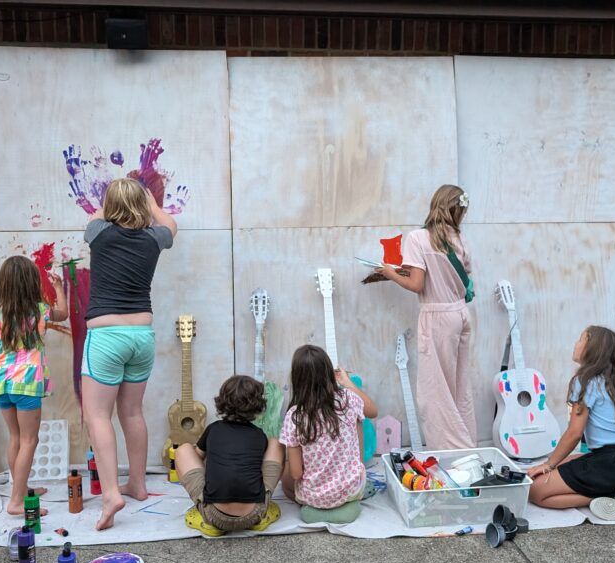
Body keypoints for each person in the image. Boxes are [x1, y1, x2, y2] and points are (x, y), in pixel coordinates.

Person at [81, 177, 177, 530]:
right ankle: (136, 483)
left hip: (106, 336)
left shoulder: (99, 234)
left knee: (97, 416)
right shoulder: (154, 239)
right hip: (141, 336)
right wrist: (151, 206)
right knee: (132, 412)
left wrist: (113, 201)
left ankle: (111, 493)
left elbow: (96, 214)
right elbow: (170, 224)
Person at [377, 184, 476, 450]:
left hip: (438, 316)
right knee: (459, 387)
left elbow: (416, 284)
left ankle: (452, 452)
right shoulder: (458, 238)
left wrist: (390, 273)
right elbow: (466, 277)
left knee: (435, 392)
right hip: (461, 314)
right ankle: (468, 444)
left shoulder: (419, 238)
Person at [527, 327, 615, 521]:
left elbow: (575, 432)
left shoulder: (584, 382)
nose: (575, 344)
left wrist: (548, 464)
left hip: (612, 463)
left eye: (580, 339)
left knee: (535, 491)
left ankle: (612, 497)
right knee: (569, 460)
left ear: (593, 349)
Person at [0, 255, 67, 515]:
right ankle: (16, 502)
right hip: (26, 385)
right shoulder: (39, 311)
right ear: (31, 283)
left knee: (15, 437)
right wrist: (58, 287)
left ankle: (21, 488)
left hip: (1, 384)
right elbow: (63, 313)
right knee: (29, 440)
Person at [280, 345, 378, 523]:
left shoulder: (294, 416)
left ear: (297, 379)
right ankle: (354, 485)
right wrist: (347, 382)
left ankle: (315, 509)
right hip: (350, 489)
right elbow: (373, 411)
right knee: (357, 417)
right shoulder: (348, 399)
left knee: (286, 467)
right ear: (329, 373)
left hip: (312, 498)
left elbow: (296, 474)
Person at [176, 375, 284, 535]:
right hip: (255, 514)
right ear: (258, 405)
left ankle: (206, 519)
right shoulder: (258, 434)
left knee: (183, 449)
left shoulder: (213, 429)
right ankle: (263, 509)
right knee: (275, 443)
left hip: (214, 515)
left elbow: (197, 458)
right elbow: (259, 466)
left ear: (221, 401)